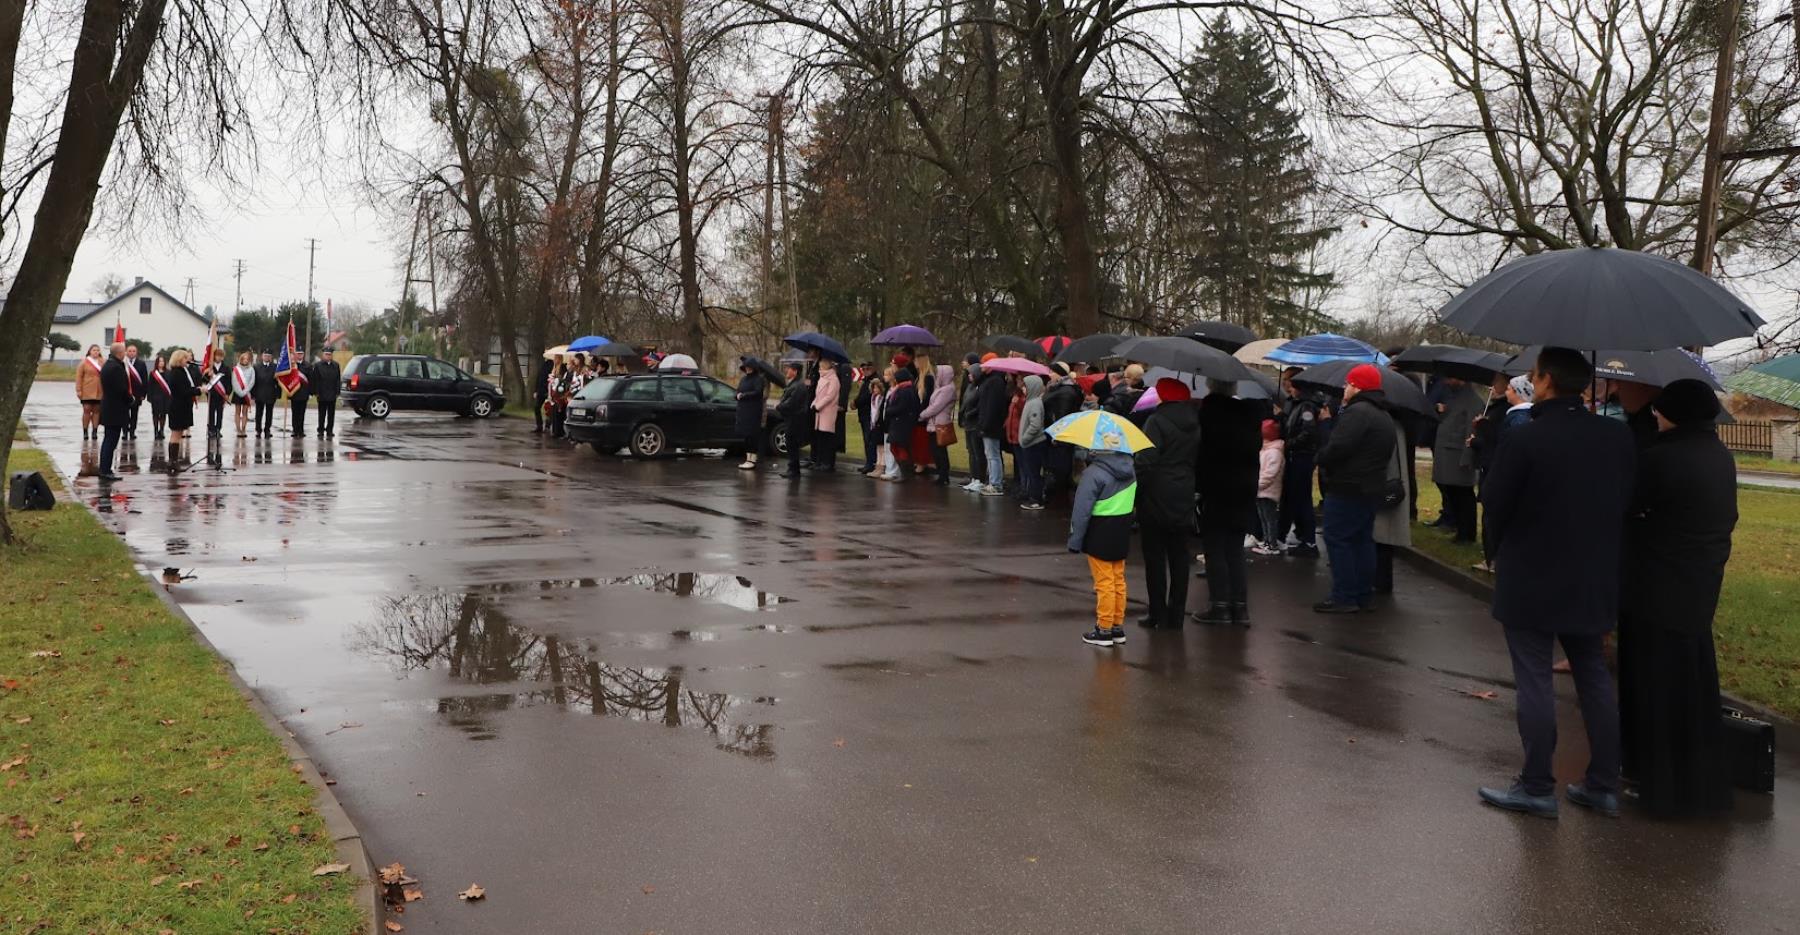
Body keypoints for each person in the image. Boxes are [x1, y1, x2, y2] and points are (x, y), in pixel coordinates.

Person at [1477, 347, 1635, 820]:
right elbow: (1626, 497)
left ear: (1545, 380)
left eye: (1534, 374)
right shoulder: (1616, 435)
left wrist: (1496, 549)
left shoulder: (1526, 436)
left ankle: (1537, 785)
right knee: (1593, 676)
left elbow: (1495, 502)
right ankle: (1603, 783)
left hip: (1532, 572)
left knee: (1534, 678)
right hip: (1593, 573)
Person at [1619, 380, 1737, 818]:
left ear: (1676, 413)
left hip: (1655, 588)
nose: (1655, 415)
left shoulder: (1662, 457)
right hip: (1697, 587)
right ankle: (1694, 784)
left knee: (1655, 688)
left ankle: (1659, 785)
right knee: (1692, 687)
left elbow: (1628, 506)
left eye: (1661, 409)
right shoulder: (1719, 455)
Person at [1312, 364, 1395, 614]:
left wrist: (1322, 457)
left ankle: (1344, 596)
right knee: (1361, 541)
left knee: (1338, 539)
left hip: (1348, 486)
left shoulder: (1357, 413)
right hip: (1371, 486)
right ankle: (1362, 594)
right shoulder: (1383, 414)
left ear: (1358, 387)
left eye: (1348, 383)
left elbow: (1338, 447)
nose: (1345, 387)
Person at [1135, 378, 1199, 629]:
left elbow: (1146, 459)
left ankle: (1157, 613)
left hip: (1156, 493)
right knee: (1179, 557)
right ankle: (1177, 614)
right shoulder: (1195, 422)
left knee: (1155, 558)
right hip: (1184, 489)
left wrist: (1137, 491)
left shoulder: (1156, 421)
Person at [1197, 379, 1262, 626]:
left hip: (1217, 489)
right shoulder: (1249, 417)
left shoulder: (1209, 416)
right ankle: (1240, 607)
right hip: (1244, 490)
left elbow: (1203, 455)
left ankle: (1220, 605)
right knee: (1234, 549)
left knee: (1215, 548)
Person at [1071, 449, 1137, 647]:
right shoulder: (1130, 470)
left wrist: (1075, 539)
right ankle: (1117, 626)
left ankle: (1104, 629)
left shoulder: (1093, 473)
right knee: (1118, 580)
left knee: (1104, 582)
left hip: (1099, 531)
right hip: (1121, 530)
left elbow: (1082, 510)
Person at [1276, 367, 1325, 556]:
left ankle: (1309, 541)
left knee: (1302, 498)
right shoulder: (1295, 403)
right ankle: (1289, 534)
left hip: (1302, 456)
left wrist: (1289, 444)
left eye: (1288, 381)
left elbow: (1308, 431)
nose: (1285, 385)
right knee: (1292, 497)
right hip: (1295, 455)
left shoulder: (1307, 406)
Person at [1431, 376, 1483, 543]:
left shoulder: (1473, 400)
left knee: (1463, 496)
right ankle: (1460, 530)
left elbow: (1471, 430)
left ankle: (1466, 534)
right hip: (1450, 455)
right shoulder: (1455, 398)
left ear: (1461, 379)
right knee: (1454, 495)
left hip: (1458, 456)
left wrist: (1467, 458)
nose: (1447, 382)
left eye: (1451, 379)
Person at [1371, 406, 1413, 594]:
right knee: (1383, 537)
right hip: (1390, 484)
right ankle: (1382, 580)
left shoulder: (1387, 426)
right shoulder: (1397, 425)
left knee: (1381, 536)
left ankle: (1380, 581)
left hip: (1386, 485)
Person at [1041, 363, 1083, 500]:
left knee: (1060, 465)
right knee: (1056, 464)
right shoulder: (1057, 388)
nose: (1050, 375)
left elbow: (1062, 415)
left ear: (1059, 373)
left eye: (1052, 372)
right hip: (1054, 433)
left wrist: (1057, 435)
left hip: (1059, 435)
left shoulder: (1066, 391)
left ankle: (1059, 495)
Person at [95, 342, 129, 481]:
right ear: (119, 353)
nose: (125, 354)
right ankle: (105, 470)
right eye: (124, 351)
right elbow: (121, 389)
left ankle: (105, 469)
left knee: (109, 440)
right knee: (110, 441)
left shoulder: (109, 364)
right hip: (115, 409)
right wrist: (130, 400)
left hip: (110, 407)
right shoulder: (115, 367)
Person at [975, 363, 1009, 495]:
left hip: (991, 426)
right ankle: (992, 481)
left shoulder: (995, 382)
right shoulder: (991, 381)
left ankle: (996, 483)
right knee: (990, 454)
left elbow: (992, 406)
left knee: (993, 455)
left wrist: (985, 424)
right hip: (989, 424)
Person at [920, 363, 957, 486]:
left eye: (938, 374)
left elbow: (936, 406)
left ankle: (943, 476)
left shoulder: (948, 389)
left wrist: (923, 414)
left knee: (940, 450)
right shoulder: (940, 388)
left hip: (940, 423)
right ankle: (941, 474)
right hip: (934, 422)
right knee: (935, 450)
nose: (937, 376)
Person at [1252, 419, 1285, 555]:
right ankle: (1267, 541)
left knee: (1269, 518)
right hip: (1260, 491)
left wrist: (1257, 484)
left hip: (1268, 492)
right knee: (1263, 518)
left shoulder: (1274, 452)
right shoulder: (1265, 450)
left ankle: (1272, 544)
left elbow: (1270, 474)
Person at [882, 367, 920, 482]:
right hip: (900, 423)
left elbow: (901, 407)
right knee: (897, 447)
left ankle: (906, 473)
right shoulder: (906, 389)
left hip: (901, 423)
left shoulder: (905, 391)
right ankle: (906, 472)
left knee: (899, 448)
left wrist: (889, 410)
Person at [775, 361, 812, 479]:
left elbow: (791, 403)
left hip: (795, 419)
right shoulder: (794, 384)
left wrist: (779, 406)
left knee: (792, 445)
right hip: (791, 418)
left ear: (795, 371)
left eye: (789, 369)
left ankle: (794, 471)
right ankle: (793, 469)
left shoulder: (798, 386)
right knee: (791, 444)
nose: (787, 371)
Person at [1016, 375, 1048, 509]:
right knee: (1031, 471)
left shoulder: (1034, 403)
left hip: (1033, 443)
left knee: (1034, 472)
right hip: (1030, 443)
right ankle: (1033, 496)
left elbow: (1035, 425)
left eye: (1026, 386)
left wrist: (1025, 439)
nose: (1023, 389)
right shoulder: (1030, 402)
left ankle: (1035, 499)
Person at [165, 349, 202, 459]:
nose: (188, 359)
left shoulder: (180, 371)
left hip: (181, 406)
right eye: (185, 358)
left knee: (178, 434)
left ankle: (173, 460)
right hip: (178, 407)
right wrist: (199, 390)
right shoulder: (177, 373)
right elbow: (184, 391)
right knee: (176, 435)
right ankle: (172, 461)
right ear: (179, 359)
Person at [958, 355, 986, 490]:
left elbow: (980, 404)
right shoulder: (970, 387)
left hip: (975, 423)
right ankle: (974, 477)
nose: (969, 376)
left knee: (977, 452)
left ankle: (980, 478)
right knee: (971, 452)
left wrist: (970, 413)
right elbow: (964, 402)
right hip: (968, 423)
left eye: (971, 374)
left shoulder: (980, 388)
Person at [735, 359, 768, 470]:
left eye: (749, 367)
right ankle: (748, 458)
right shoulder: (743, 379)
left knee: (752, 435)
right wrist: (737, 395)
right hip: (743, 411)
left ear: (754, 368)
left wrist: (744, 395)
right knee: (746, 436)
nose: (747, 369)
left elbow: (758, 392)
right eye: (746, 367)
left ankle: (752, 460)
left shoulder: (759, 379)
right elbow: (738, 390)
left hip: (753, 411)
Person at [809, 359, 840, 471]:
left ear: (826, 367)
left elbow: (830, 396)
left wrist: (818, 406)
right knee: (820, 438)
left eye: (821, 367)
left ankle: (828, 463)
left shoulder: (834, 379)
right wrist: (813, 404)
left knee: (827, 438)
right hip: (820, 411)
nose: (819, 369)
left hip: (828, 411)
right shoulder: (822, 378)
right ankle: (819, 461)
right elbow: (818, 395)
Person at [858, 368, 887, 475]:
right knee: (871, 444)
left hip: (878, 424)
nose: (875, 390)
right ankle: (874, 464)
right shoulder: (873, 398)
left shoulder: (881, 398)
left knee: (880, 447)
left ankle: (880, 466)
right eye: (873, 388)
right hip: (872, 423)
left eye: (876, 388)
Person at [76, 344, 104, 440]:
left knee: (97, 411)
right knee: (86, 410)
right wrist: (78, 390)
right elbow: (79, 377)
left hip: (99, 390)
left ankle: (95, 431)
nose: (96, 352)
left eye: (97, 350)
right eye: (94, 350)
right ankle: (85, 431)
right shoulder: (84, 362)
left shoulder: (103, 362)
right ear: (90, 351)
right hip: (87, 390)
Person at [123, 343, 148, 439]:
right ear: (126, 352)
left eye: (134, 351)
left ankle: (132, 431)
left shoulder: (141, 364)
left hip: (137, 393)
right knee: (124, 414)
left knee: (134, 413)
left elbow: (144, 379)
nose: (131, 353)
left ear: (136, 353)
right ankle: (125, 432)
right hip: (125, 393)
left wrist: (143, 393)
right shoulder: (123, 363)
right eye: (129, 351)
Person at [314, 349, 341, 436]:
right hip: (322, 393)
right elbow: (316, 380)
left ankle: (329, 430)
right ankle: (320, 429)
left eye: (329, 354)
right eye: (326, 354)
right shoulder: (318, 365)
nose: (328, 356)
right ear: (323, 355)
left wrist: (337, 392)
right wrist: (316, 392)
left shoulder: (336, 365)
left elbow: (338, 379)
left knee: (331, 414)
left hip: (332, 393)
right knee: (322, 413)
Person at [251, 351, 278, 438]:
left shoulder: (275, 367)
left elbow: (278, 381)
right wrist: (252, 394)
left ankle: (267, 430)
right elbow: (253, 381)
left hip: (271, 393)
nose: (267, 357)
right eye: (265, 356)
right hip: (259, 393)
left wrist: (278, 394)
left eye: (268, 356)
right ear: (262, 356)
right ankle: (258, 430)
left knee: (269, 414)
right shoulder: (256, 367)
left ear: (271, 357)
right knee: (258, 413)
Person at [230, 351, 256, 438]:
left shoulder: (251, 369)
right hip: (237, 393)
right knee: (237, 412)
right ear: (241, 359)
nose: (245, 360)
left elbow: (252, 382)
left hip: (247, 393)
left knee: (245, 412)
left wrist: (245, 392)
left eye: (247, 359)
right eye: (244, 359)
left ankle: (243, 429)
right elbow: (234, 382)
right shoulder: (236, 369)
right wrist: (239, 392)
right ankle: (238, 430)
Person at [146, 355, 171, 441]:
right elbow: (150, 386)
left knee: (163, 414)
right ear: (157, 362)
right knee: (155, 414)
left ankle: (162, 430)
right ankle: (156, 431)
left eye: (163, 361)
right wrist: (149, 397)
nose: (161, 363)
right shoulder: (153, 373)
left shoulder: (168, 372)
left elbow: (170, 385)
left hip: (165, 397)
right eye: (160, 361)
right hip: (155, 397)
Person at [288, 351, 313, 437]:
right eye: (298, 354)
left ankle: (301, 430)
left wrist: (310, 393)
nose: (299, 355)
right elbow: (288, 379)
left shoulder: (308, 366)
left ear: (303, 355)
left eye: (301, 354)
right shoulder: (292, 365)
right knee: (294, 413)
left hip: (303, 393)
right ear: (295, 355)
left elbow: (311, 379)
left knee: (302, 413)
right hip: (294, 392)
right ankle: (295, 430)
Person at [206, 357, 228, 438]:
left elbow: (228, 381)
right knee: (211, 412)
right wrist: (208, 375)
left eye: (221, 356)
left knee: (220, 412)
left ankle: (218, 429)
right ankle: (211, 430)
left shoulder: (225, 368)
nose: (219, 357)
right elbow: (204, 380)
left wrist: (227, 393)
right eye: (217, 355)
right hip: (212, 393)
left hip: (221, 394)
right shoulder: (210, 367)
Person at [532, 354, 553, 433]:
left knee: (549, 409)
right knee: (537, 407)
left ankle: (548, 425)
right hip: (540, 390)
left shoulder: (553, 365)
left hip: (548, 391)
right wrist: (536, 390)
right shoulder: (543, 364)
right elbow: (539, 377)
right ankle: (539, 425)